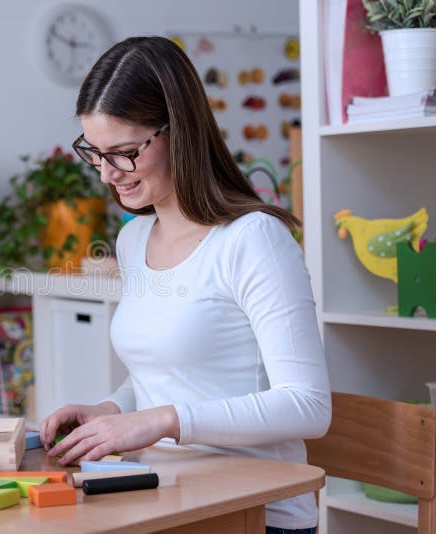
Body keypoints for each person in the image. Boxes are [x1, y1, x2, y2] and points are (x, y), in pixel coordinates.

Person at [39, 37, 330, 534]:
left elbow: (308, 406)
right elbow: (166, 372)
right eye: (95, 153)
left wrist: (160, 422)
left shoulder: (254, 239)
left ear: (179, 132)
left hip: (258, 511)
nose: (108, 174)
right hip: (168, 497)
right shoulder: (134, 238)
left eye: (125, 153)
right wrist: (112, 411)